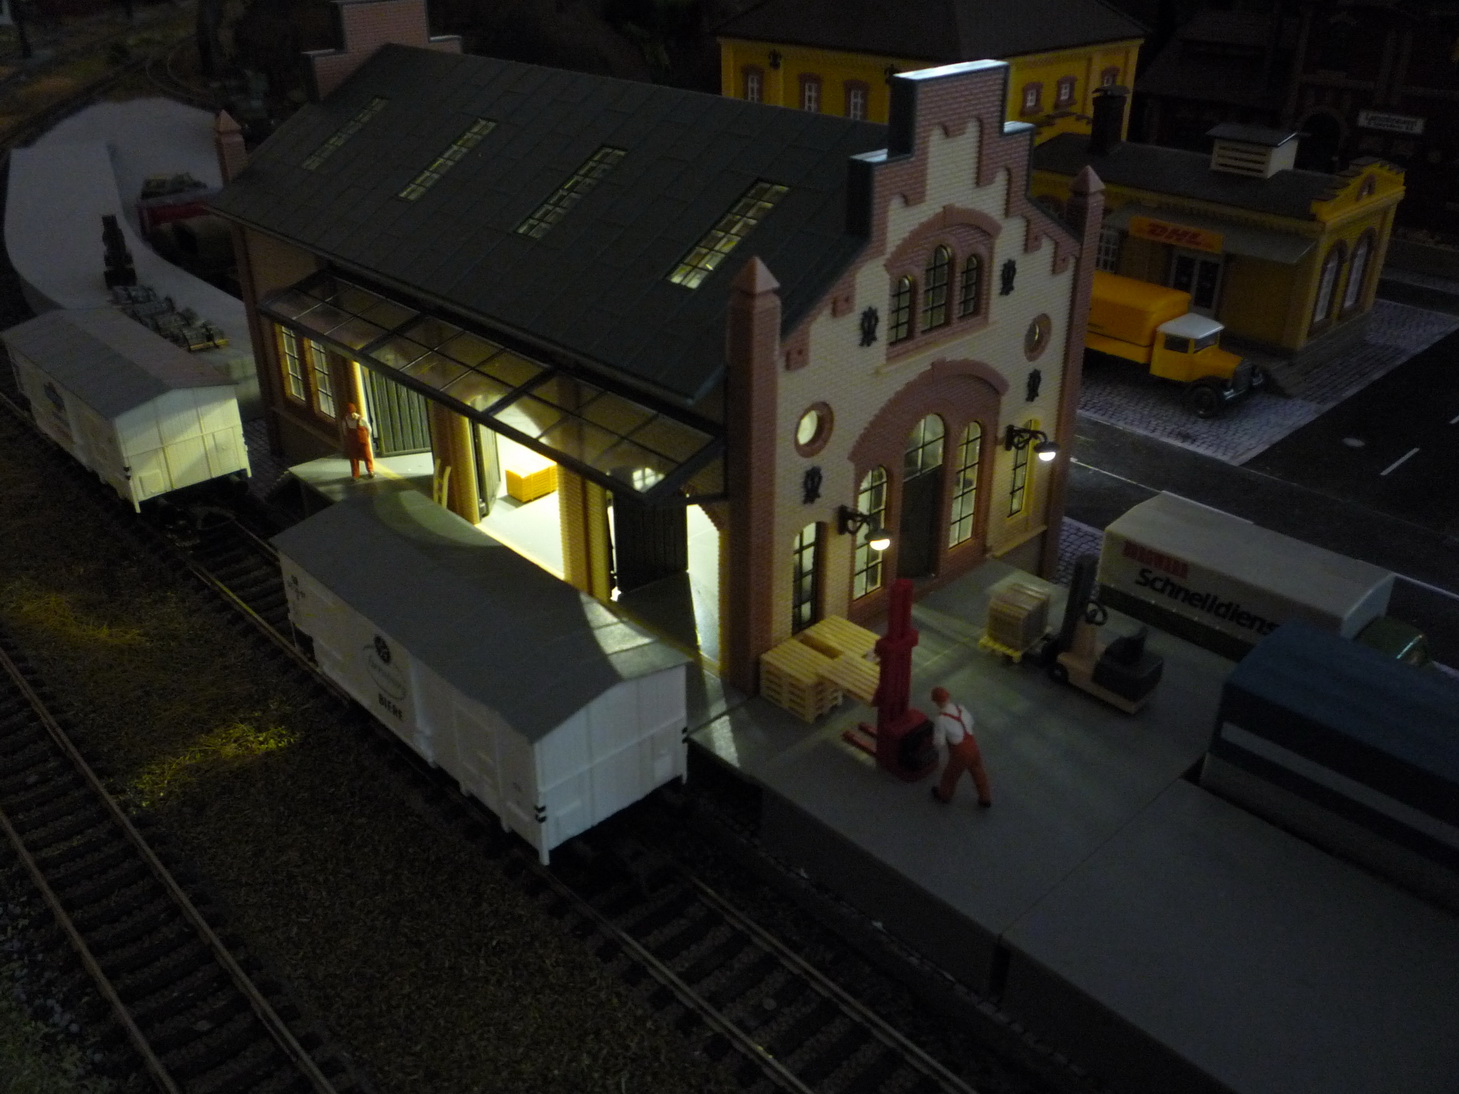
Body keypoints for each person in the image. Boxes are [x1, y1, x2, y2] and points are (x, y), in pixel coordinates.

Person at [929, 686, 991, 808]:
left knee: (950, 775)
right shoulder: (961, 708)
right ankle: (985, 798)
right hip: (973, 746)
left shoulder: (941, 719)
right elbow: (971, 722)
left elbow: (939, 742)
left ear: (936, 702)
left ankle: (944, 795)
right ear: (948, 697)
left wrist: (934, 746)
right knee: (978, 771)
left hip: (960, 753)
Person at [343, 402, 375, 478]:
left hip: (363, 441)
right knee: (353, 458)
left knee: (367, 455)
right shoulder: (345, 420)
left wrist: (367, 437)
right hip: (353, 442)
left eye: (352, 413)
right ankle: (355, 474)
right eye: (349, 414)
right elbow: (345, 431)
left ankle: (370, 471)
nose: (351, 415)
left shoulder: (361, 419)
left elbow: (369, 428)